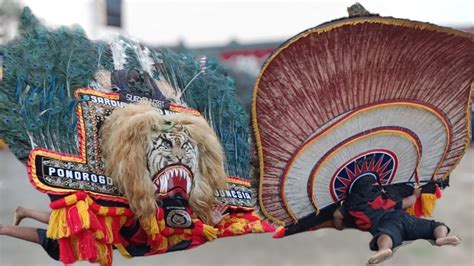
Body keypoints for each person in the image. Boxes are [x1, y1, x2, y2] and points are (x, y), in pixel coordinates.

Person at [0, 205, 228, 261]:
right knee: (61, 242)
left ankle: (22, 214)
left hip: (126, 223)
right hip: (125, 223)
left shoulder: (186, 222)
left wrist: (212, 224)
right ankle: (6, 227)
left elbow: (193, 230)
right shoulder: (185, 223)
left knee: (74, 223)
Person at [333, 175, 461, 265]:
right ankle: (440, 237)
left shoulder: (350, 205)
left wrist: (339, 226)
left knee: (385, 236)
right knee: (435, 225)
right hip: (403, 218)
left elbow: (336, 215)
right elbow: (408, 203)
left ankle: (384, 249)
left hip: (384, 224)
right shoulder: (384, 197)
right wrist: (415, 195)